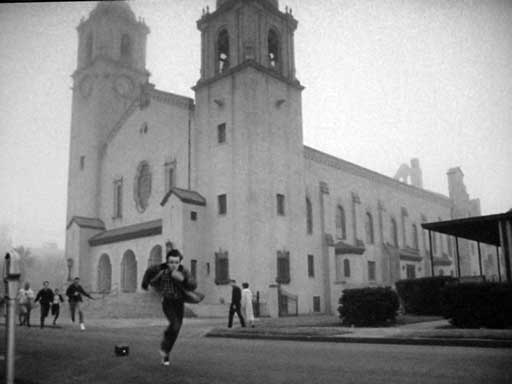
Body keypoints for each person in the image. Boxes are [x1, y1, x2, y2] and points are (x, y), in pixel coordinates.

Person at [141, 249, 196, 367]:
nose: (173, 265)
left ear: (179, 262)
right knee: (174, 325)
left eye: (176, 262)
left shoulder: (183, 271)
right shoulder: (161, 270)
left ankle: (166, 353)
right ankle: (166, 339)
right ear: (167, 262)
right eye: (171, 262)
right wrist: (145, 284)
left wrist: (184, 279)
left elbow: (193, 284)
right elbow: (149, 273)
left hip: (179, 302)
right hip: (167, 302)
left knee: (177, 329)